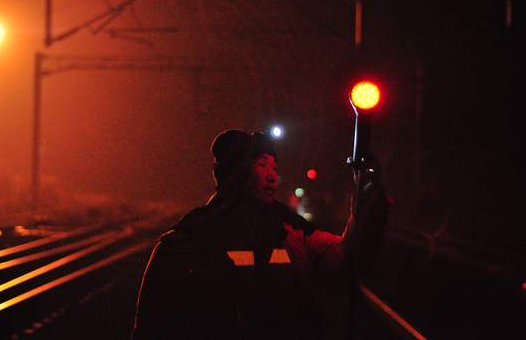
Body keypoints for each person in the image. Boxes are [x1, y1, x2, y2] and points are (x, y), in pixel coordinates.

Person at [131, 129, 390, 340]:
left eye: (274, 167)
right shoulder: (185, 244)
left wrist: (367, 202)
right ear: (232, 174)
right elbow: (151, 329)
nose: (272, 177)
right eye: (261, 165)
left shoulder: (290, 234)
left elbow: (348, 257)